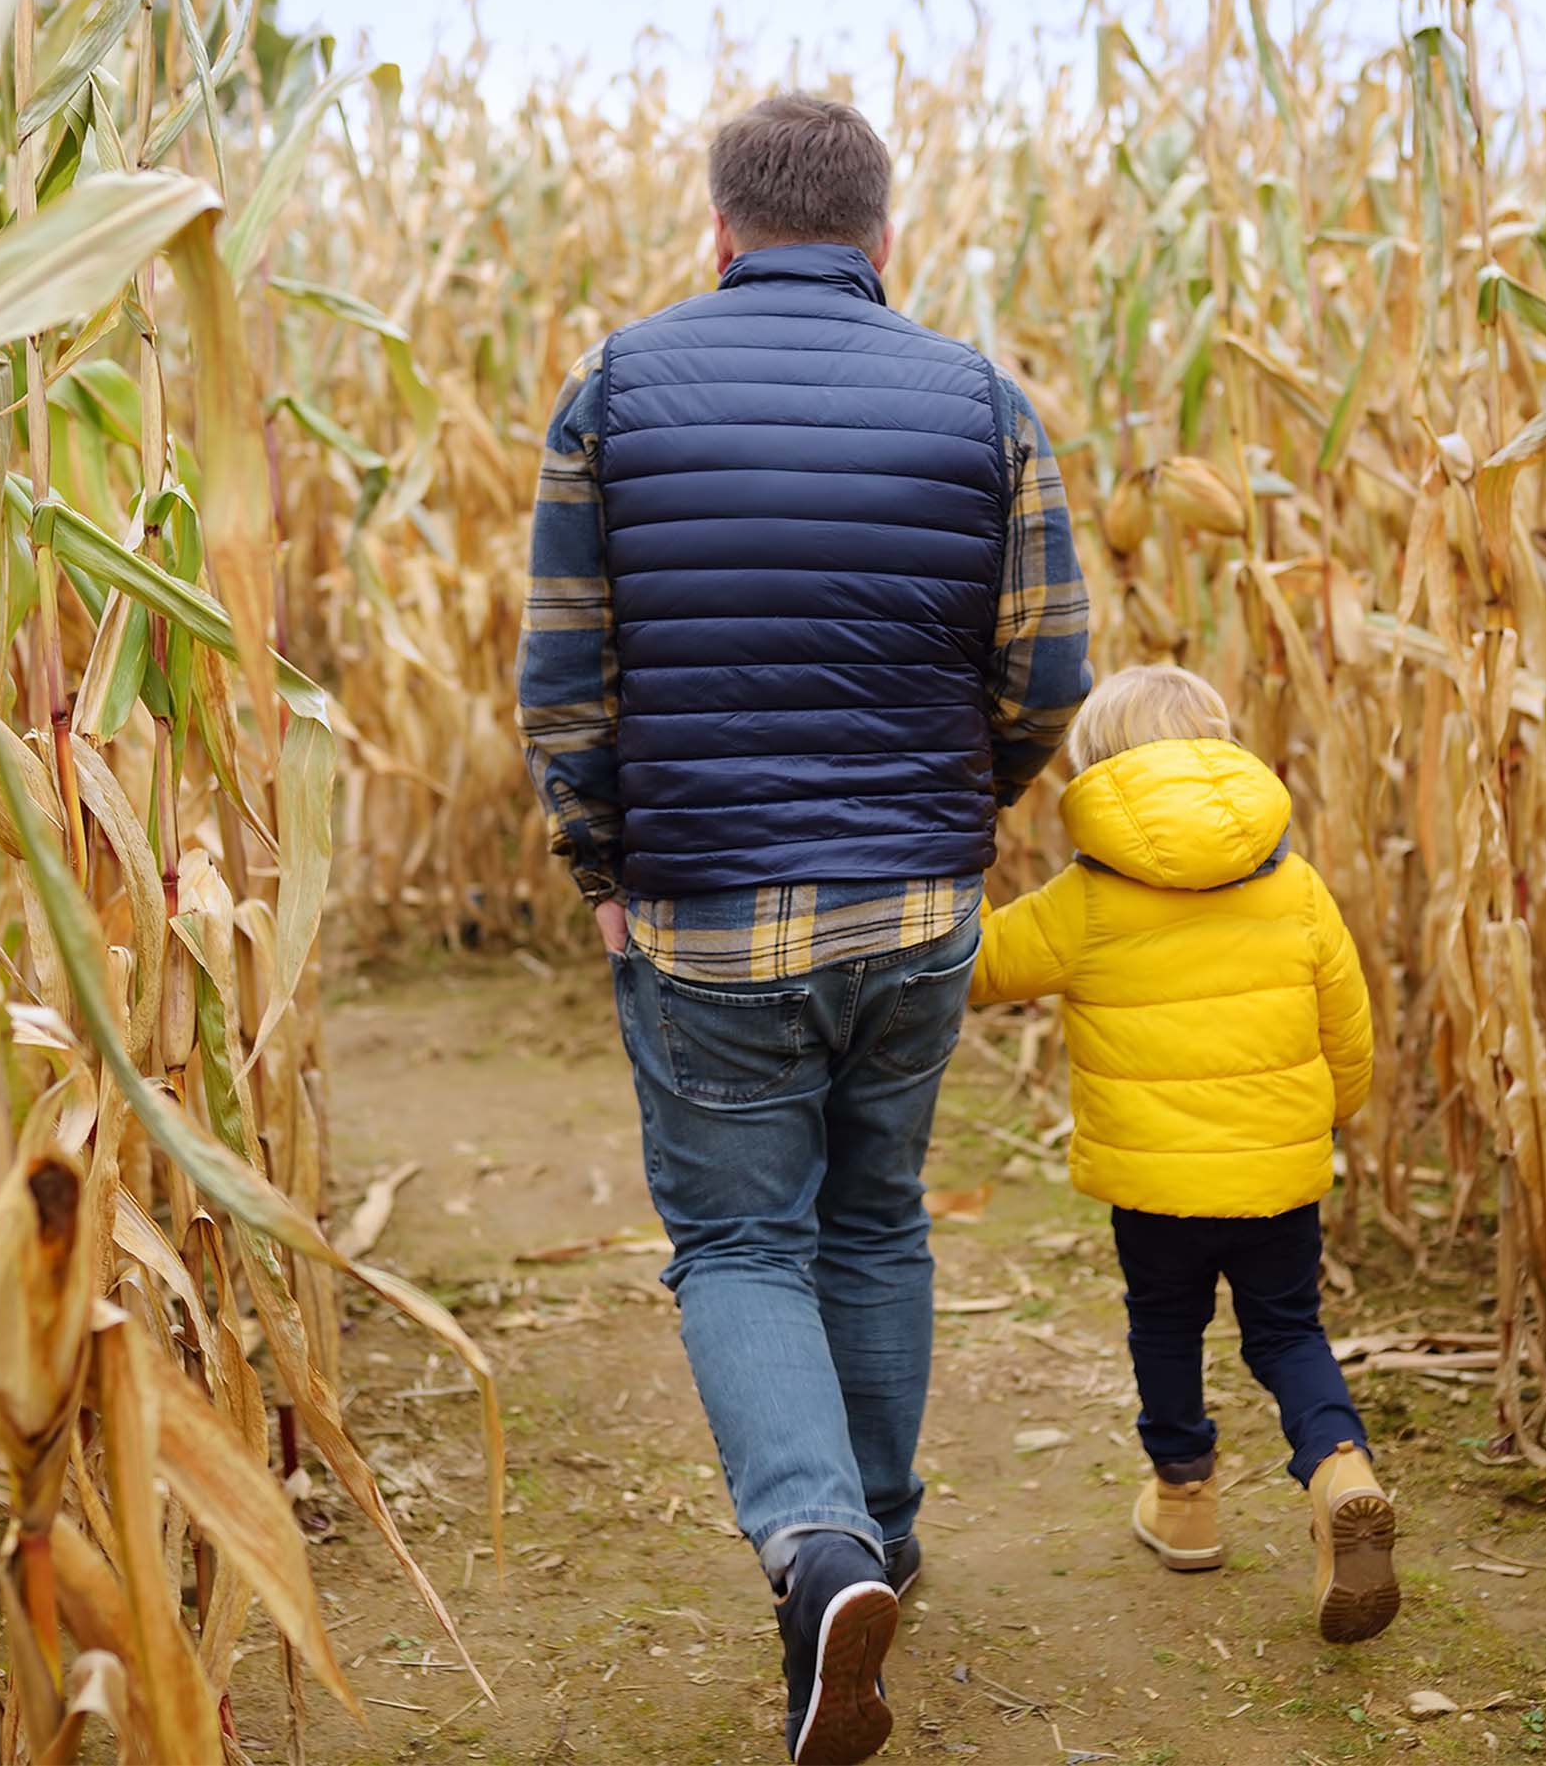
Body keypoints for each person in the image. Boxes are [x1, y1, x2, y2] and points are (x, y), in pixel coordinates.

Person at [516, 92, 1092, 1764]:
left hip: (704, 914)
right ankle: (882, 1540)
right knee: (873, 1213)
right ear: (880, 239)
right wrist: (955, 805)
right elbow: (1043, 667)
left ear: (716, 230)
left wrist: (601, 862)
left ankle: (817, 1547)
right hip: (914, 901)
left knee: (741, 1241)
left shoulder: (613, 389)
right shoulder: (982, 399)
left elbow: (568, 675)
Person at [968, 664, 1398, 1643]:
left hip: (1154, 1187)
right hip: (1276, 1172)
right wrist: (1323, 1117)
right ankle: (1339, 1469)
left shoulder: (1086, 899)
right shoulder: (1290, 884)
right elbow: (1347, 1024)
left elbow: (980, 969)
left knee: (1163, 1327)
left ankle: (1186, 1506)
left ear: (1098, 770)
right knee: (1285, 1332)